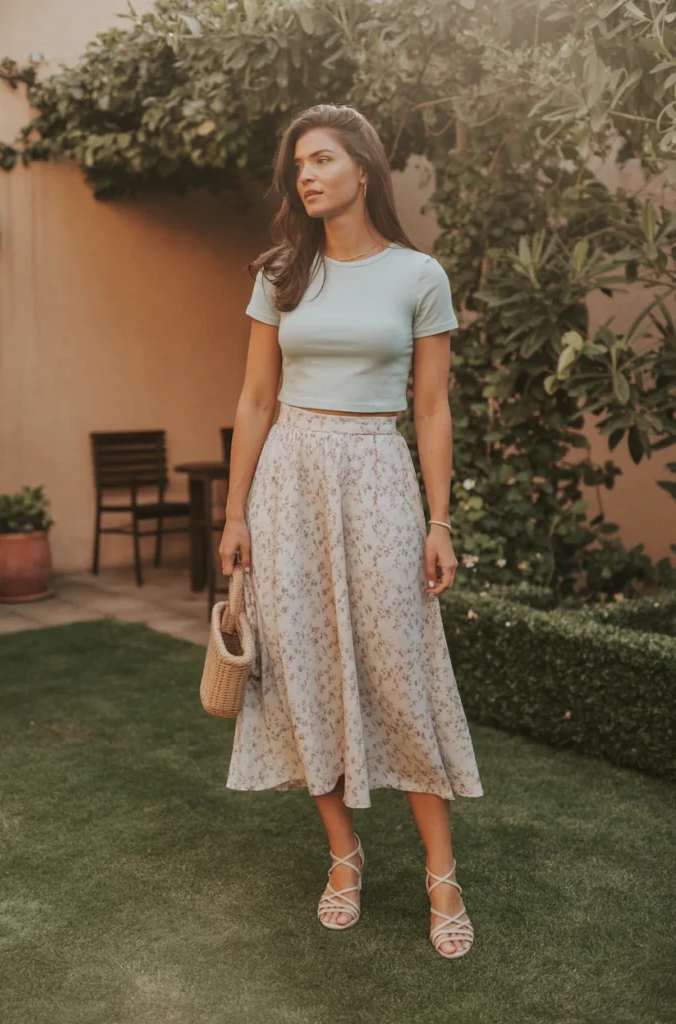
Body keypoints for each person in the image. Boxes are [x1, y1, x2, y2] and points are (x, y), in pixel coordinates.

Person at [218, 103, 483, 960]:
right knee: (302, 666)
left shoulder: (418, 275)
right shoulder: (280, 273)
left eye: (322, 159)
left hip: (376, 474)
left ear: (362, 169)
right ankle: (343, 855)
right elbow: (255, 399)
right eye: (298, 163)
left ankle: (442, 874)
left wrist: (439, 520)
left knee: (399, 670)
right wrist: (234, 513)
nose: (306, 174)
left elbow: (431, 408)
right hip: (287, 481)